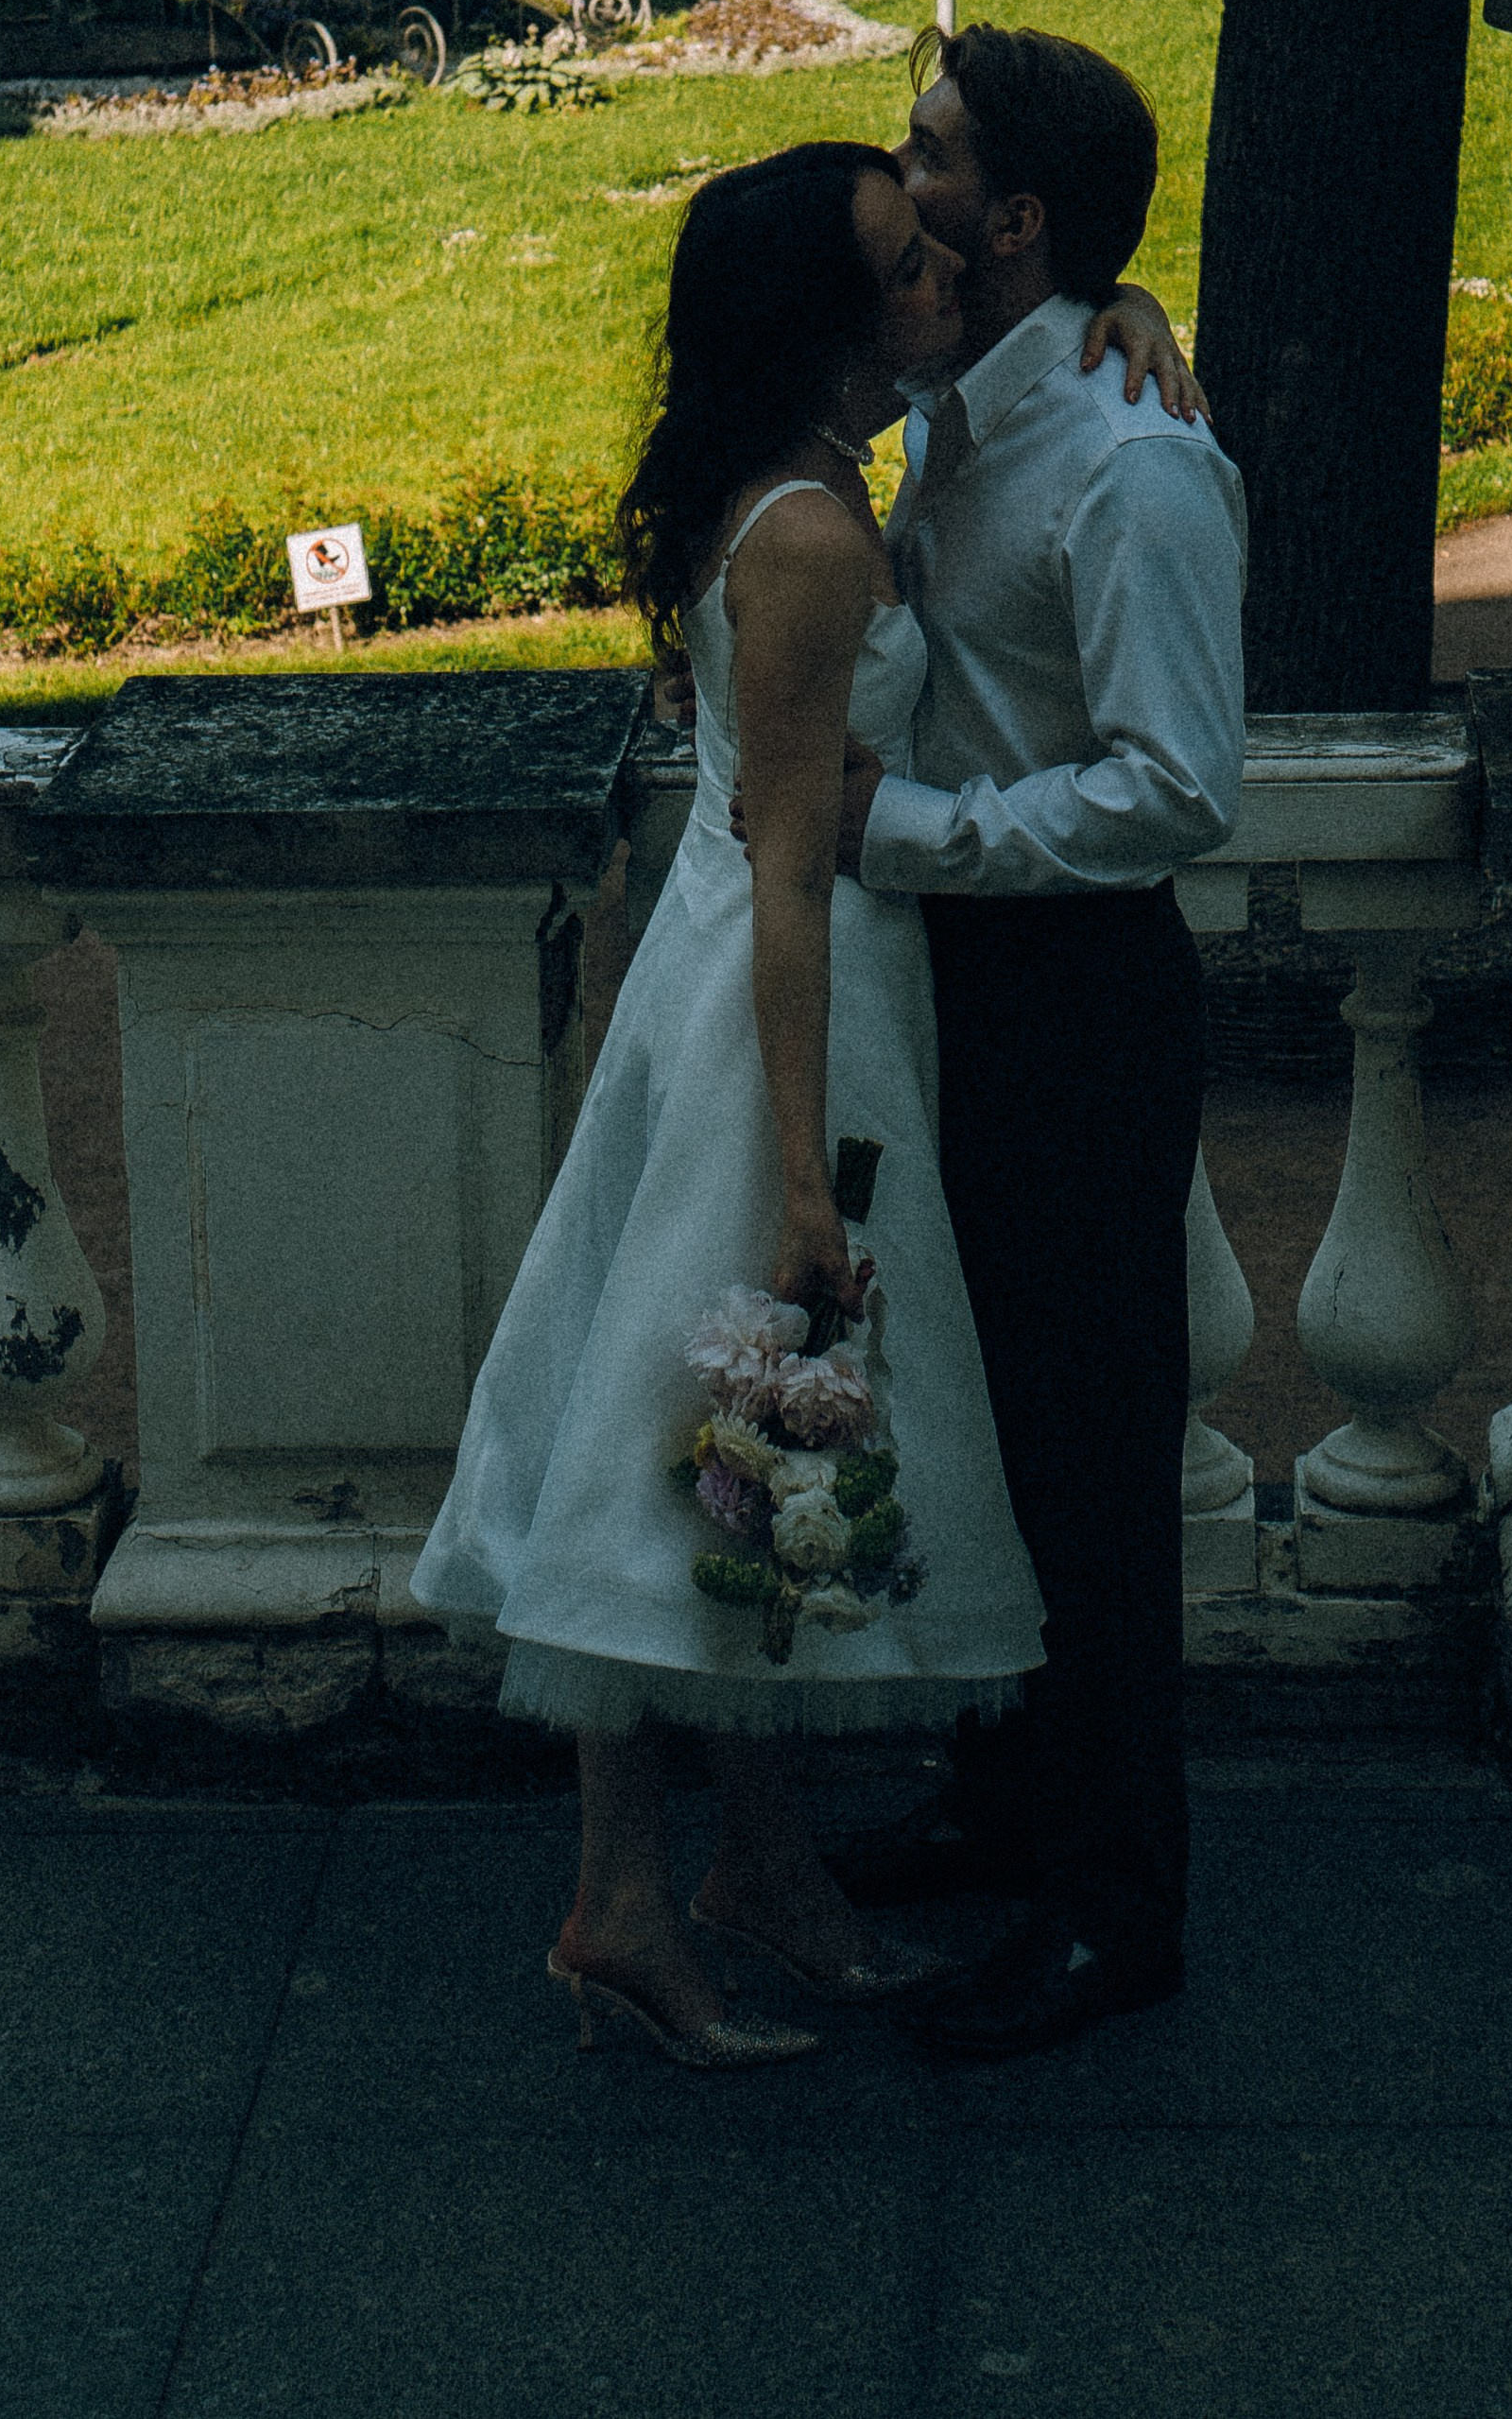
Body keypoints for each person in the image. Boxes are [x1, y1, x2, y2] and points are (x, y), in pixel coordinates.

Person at [410, 140, 1047, 2070]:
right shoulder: (810, 540)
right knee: (680, 1435)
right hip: (783, 1019)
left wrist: (1126, 313)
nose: (943, 275)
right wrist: (800, 1175)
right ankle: (618, 1902)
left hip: (754, 992)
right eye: (906, 266)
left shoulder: (813, 478)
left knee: (730, 1438)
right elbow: (787, 868)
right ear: (823, 324)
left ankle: (758, 1866)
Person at [825, 23, 1249, 2062]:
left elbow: (1178, 787)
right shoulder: (964, 405)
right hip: (953, 988)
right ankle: (1002, 1802)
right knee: (976, 1429)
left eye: (927, 152)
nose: (892, 172)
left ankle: (1113, 1905)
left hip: (1072, 1002)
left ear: (1012, 220)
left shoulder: (1132, 461)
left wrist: (905, 833)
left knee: (1086, 1464)